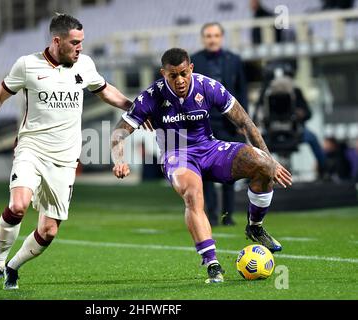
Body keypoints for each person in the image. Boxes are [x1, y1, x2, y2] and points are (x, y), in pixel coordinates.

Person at [0, 13, 140, 291]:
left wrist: (132, 107)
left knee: (48, 231)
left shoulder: (85, 64)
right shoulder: (27, 65)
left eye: (82, 42)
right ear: (57, 41)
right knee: (18, 205)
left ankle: (13, 267)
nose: (80, 48)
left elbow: (104, 90)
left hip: (65, 160)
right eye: (75, 42)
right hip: (31, 149)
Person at [111, 48, 291, 284]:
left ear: (191, 69)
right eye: (172, 76)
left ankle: (255, 226)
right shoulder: (152, 95)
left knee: (263, 166)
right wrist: (119, 159)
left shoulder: (208, 86)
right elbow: (119, 131)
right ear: (163, 73)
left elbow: (245, 123)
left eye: (183, 73)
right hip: (176, 155)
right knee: (193, 194)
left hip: (209, 148)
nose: (180, 80)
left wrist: (270, 160)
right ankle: (211, 262)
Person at [191, 22, 249, 226]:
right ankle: (212, 215)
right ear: (203, 38)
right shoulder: (194, 61)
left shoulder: (234, 60)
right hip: (202, 125)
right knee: (205, 172)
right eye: (208, 36)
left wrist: (243, 121)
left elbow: (242, 92)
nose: (212, 39)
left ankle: (228, 215)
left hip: (229, 124)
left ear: (222, 37)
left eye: (215, 35)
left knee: (230, 170)